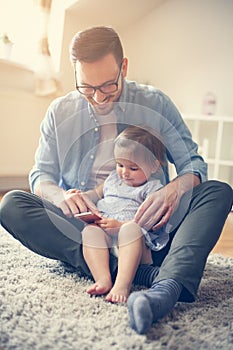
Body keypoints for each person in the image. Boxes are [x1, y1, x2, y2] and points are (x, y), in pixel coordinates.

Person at [0, 26, 232, 335]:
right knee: (13, 204)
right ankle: (152, 277)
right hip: (88, 233)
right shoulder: (60, 111)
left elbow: (193, 163)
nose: (97, 98)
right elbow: (40, 175)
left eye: (108, 86)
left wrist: (174, 189)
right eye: (86, 88)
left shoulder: (155, 103)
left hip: (150, 231)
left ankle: (164, 286)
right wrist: (62, 197)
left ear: (124, 67)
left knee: (218, 192)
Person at [80, 125, 168, 303]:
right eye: (120, 165)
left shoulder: (152, 188)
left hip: (136, 246)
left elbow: (152, 220)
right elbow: (95, 194)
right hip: (106, 236)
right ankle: (103, 278)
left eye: (133, 168)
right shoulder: (113, 179)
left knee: (131, 230)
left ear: (153, 166)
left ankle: (122, 284)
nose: (124, 173)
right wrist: (81, 197)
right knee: (89, 232)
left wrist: (120, 227)